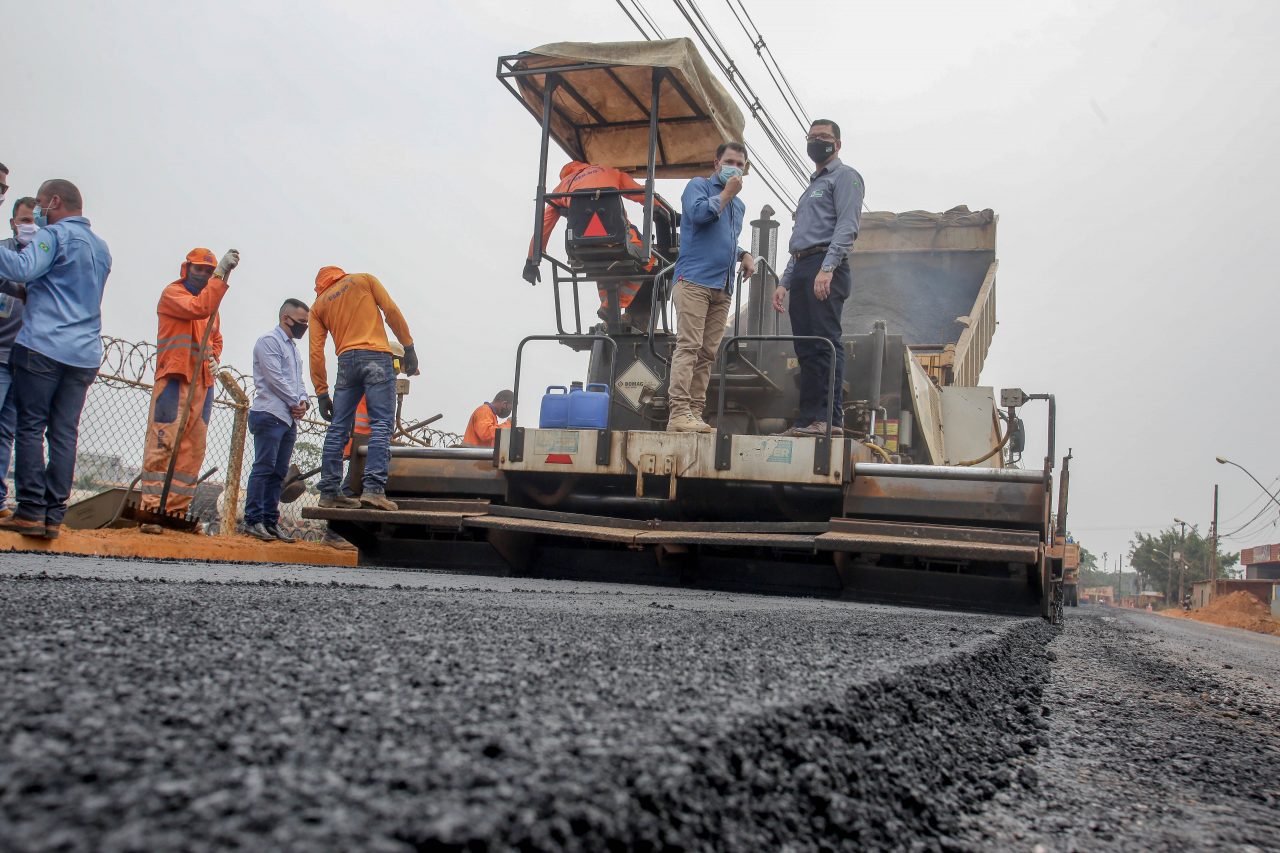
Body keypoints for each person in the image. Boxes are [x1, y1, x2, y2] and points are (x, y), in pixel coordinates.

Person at [0, 179, 111, 539]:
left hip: (43, 347)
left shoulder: (55, 236)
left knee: (30, 426)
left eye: (40, 207)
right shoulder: (101, 248)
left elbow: (21, 269)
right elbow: (57, 287)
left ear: (55, 202)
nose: (37, 214)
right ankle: (53, 514)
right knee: (64, 433)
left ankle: (30, 509)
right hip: (84, 355)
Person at [772, 120, 865, 437]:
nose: (817, 142)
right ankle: (809, 420)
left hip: (825, 265)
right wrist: (785, 281)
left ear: (837, 144)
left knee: (825, 343)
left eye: (824, 137)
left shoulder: (846, 178)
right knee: (806, 348)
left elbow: (847, 227)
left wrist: (828, 267)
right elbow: (799, 240)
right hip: (801, 267)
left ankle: (828, 420)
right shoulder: (810, 188)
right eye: (812, 137)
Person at [138, 247, 239, 521]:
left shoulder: (212, 306)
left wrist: (215, 357)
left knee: (192, 449)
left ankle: (175, 511)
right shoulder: (174, 294)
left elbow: (216, 337)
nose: (204, 274)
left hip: (202, 382)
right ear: (187, 268)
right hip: (175, 378)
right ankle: (151, 507)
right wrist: (221, 275)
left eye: (209, 271)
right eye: (199, 269)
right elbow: (199, 308)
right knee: (164, 441)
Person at [310, 266, 417, 511]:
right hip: (376, 356)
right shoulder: (362, 280)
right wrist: (408, 346)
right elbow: (390, 311)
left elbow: (316, 352)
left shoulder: (318, 306)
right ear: (339, 274)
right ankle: (373, 490)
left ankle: (329, 491)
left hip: (346, 361)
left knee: (338, 427)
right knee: (381, 423)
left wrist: (322, 392)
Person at [666, 143, 756, 433]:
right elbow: (700, 216)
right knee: (688, 347)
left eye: (740, 163)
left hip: (723, 285)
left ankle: (694, 412)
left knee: (707, 354)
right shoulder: (699, 187)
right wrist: (727, 193)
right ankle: (678, 412)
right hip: (694, 281)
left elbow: (725, 240)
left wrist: (744, 254)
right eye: (729, 161)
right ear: (716, 163)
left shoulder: (738, 206)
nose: (735, 167)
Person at [522, 160, 662, 326]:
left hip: (580, 248)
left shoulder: (563, 186)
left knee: (599, 261)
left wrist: (531, 260)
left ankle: (610, 307)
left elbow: (543, 224)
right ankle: (615, 306)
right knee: (652, 259)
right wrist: (665, 212)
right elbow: (643, 194)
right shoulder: (608, 171)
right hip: (616, 240)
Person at [244, 298, 310, 542]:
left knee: (278, 471)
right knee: (264, 468)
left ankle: (270, 521)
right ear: (286, 318)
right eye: (302, 322)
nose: (304, 327)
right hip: (270, 413)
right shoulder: (269, 342)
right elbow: (275, 379)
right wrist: (295, 402)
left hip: (288, 419)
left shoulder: (293, 349)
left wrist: (303, 402)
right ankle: (253, 519)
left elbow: (298, 381)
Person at [0, 196, 37, 518]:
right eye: (24, 221)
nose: (30, 226)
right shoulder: (5, 254)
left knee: (8, 431)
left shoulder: (43, 258)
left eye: (34, 221)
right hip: (0, 354)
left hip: (24, 358)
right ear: (14, 222)